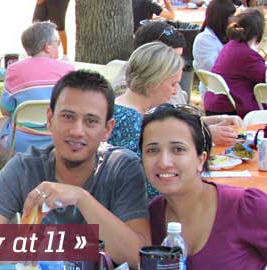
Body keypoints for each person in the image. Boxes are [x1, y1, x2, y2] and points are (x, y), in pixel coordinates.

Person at [0, 70, 151, 268]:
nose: (77, 131)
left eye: (91, 121)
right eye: (68, 117)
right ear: (50, 118)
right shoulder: (24, 168)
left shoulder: (122, 167)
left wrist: (81, 198)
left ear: (107, 129)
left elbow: (140, 258)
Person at [140, 103, 267, 269]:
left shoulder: (246, 207)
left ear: (201, 159)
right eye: (152, 150)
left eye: (178, 149)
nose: (164, 162)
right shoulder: (150, 218)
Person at [110, 42, 242, 200]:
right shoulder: (133, 123)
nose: (174, 91)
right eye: (173, 84)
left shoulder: (126, 108)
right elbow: (152, 185)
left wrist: (219, 119)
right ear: (154, 82)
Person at [0, 22, 73, 154]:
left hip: (22, 142)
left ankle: (14, 164)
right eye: (57, 42)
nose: (58, 46)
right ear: (47, 47)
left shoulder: (14, 69)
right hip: (59, 139)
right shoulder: (68, 69)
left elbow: (5, 111)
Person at [208, 8, 266, 117]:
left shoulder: (230, 46)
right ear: (258, 32)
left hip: (217, 103)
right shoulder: (247, 55)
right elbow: (264, 78)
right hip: (232, 108)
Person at [113, 21, 188, 104]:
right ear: (149, 56)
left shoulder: (167, 78)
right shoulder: (126, 91)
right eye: (173, 59)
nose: (178, 64)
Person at [193, 0, 236, 99]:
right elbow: (215, 69)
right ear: (221, 18)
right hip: (216, 93)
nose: (235, 20)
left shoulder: (226, 36)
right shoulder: (204, 39)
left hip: (231, 88)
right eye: (231, 16)